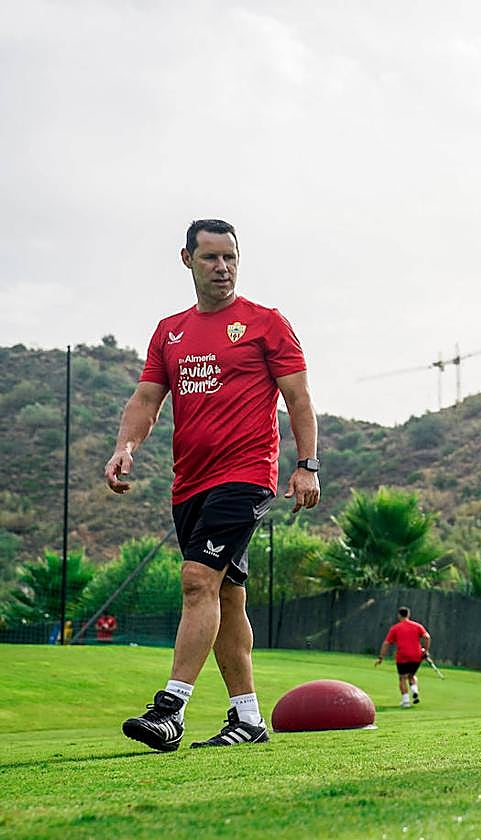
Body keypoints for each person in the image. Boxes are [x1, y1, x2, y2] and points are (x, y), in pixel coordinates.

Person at [106, 219, 321, 751]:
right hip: (189, 484)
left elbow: (298, 399)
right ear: (187, 260)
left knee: (197, 580)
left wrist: (307, 465)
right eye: (210, 258)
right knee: (225, 593)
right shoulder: (169, 331)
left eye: (230, 257)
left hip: (246, 475)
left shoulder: (266, 323)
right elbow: (146, 401)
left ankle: (170, 709)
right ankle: (247, 718)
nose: (222, 268)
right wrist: (125, 447)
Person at [374, 607, 430, 708]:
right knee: (411, 675)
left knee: (402, 678)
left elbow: (387, 643)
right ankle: (414, 690)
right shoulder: (417, 626)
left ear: (399, 615)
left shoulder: (395, 628)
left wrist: (381, 657)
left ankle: (406, 701)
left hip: (402, 656)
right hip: (416, 656)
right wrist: (425, 650)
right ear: (408, 615)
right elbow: (427, 637)